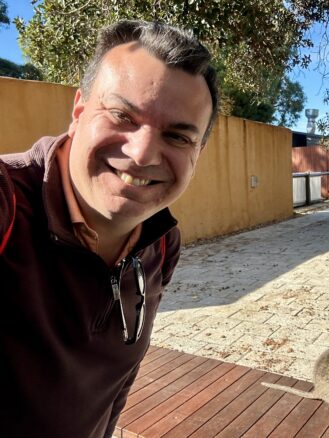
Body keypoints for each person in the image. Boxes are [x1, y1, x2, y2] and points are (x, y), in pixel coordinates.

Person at [0, 20, 219, 437]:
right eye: (122, 115)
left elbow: (118, 383)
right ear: (79, 111)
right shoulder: (7, 206)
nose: (141, 154)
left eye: (177, 136)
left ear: (198, 152)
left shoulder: (161, 243)